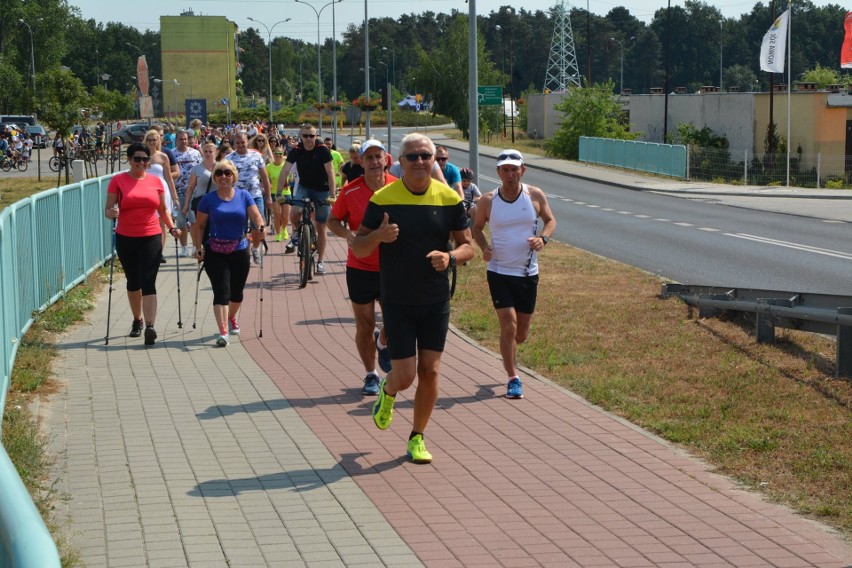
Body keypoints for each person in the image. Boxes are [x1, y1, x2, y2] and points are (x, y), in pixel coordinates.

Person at [352, 133, 474, 464]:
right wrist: (378, 235)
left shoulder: (449, 199)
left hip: (435, 300)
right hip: (398, 300)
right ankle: (387, 393)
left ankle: (417, 437)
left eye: (425, 155)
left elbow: (469, 246)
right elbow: (358, 246)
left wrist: (451, 258)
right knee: (405, 376)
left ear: (434, 160)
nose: (419, 161)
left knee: (431, 372)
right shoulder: (384, 198)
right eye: (412, 156)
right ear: (400, 162)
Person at [471, 149, 557, 399]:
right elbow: (476, 228)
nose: (510, 174)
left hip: (527, 273)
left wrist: (543, 239)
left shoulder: (534, 195)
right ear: (498, 172)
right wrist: (484, 247)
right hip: (499, 272)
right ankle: (513, 377)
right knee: (508, 326)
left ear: (523, 170)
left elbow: (551, 221)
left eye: (514, 169)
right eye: (505, 170)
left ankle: (508, 352)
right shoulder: (487, 200)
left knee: (521, 333)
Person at [328, 139, 396, 396]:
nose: (375, 162)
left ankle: (383, 342)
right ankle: (370, 374)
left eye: (379, 157)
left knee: (395, 318)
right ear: (362, 162)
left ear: (386, 159)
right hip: (360, 266)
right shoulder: (351, 191)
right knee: (364, 324)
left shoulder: (399, 188)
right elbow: (332, 221)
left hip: (392, 267)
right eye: (369, 158)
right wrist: (347, 235)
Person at [104, 142, 182, 346]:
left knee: (148, 282)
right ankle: (137, 319)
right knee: (133, 282)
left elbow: (163, 210)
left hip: (151, 236)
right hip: (126, 236)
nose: (141, 162)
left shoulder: (156, 181)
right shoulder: (118, 181)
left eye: (145, 159)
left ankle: (150, 326)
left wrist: (172, 227)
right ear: (129, 160)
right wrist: (111, 213)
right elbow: (108, 209)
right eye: (137, 159)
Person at [191, 160, 265, 347]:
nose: (223, 176)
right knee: (221, 292)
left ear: (234, 177)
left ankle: (231, 316)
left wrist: (260, 225)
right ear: (214, 177)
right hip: (215, 251)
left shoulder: (244, 195)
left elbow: (256, 215)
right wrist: (197, 247)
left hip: (239, 249)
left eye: (227, 173)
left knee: (236, 292)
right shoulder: (208, 199)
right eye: (219, 173)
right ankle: (223, 331)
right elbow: (199, 226)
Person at [278, 124, 337, 275]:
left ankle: (320, 261)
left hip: (322, 190)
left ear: (316, 136)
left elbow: (330, 172)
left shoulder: (322, 150)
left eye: (312, 136)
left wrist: (332, 194)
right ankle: (297, 232)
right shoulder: (297, 150)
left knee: (321, 226)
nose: (309, 139)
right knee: (295, 211)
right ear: (301, 137)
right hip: (304, 187)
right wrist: (278, 193)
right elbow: (285, 170)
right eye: (305, 136)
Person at [226, 131, 272, 265]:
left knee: (258, 226)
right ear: (234, 144)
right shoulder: (229, 158)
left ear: (247, 142)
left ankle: (256, 249)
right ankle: (242, 251)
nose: (240, 145)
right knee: (239, 226)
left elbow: (264, 177)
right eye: (237, 143)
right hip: (236, 197)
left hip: (255, 196)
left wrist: (268, 196)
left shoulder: (256, 156)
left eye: (243, 142)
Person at [143, 130, 180, 263]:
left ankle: (159, 252)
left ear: (159, 141)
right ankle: (148, 250)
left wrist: (175, 198)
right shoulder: (142, 156)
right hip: (146, 189)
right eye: (150, 140)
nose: (152, 142)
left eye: (155, 139)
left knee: (162, 222)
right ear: (146, 141)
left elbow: (169, 178)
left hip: (161, 189)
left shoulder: (163, 156)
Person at [173, 130, 203, 256]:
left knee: (194, 221)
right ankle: (184, 247)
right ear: (176, 140)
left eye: (185, 139)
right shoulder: (172, 154)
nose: (184, 141)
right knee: (181, 222)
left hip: (194, 192)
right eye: (181, 139)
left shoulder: (195, 154)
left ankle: (196, 246)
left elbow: (200, 170)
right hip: (178, 191)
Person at [183, 141, 217, 250]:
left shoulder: (220, 167)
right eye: (205, 151)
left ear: (215, 152)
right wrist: (186, 204)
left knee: (215, 226)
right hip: (201, 202)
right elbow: (191, 187)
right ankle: (199, 247)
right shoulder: (196, 168)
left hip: (217, 202)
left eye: (210, 151)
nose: (208, 154)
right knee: (200, 226)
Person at [267, 146, 291, 242]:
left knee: (285, 217)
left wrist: (291, 180)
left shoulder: (287, 165)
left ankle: (284, 228)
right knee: (277, 214)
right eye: (276, 154)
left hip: (286, 192)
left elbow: (293, 177)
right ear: (273, 154)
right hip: (275, 193)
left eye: (280, 154)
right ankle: (277, 233)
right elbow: (265, 179)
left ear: (283, 155)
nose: (278, 156)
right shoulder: (269, 167)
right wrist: (268, 185)